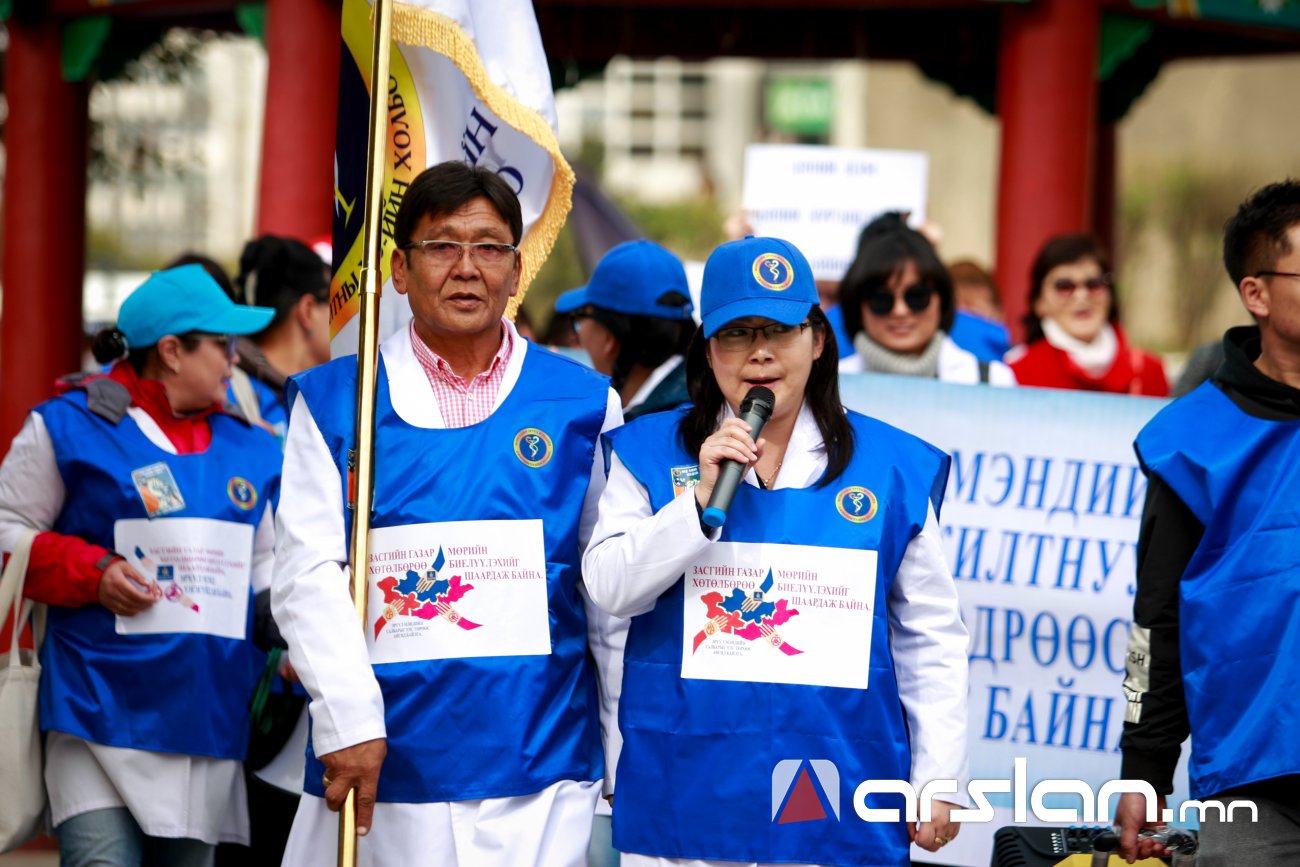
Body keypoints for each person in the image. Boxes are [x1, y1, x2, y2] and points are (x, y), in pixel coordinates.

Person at [270, 160, 624, 865]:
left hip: (541, 766)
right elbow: (307, 573)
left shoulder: (584, 404)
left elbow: (608, 597)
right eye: (442, 245)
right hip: (384, 767)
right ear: (399, 270)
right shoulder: (337, 402)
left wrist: (623, 753)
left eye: (489, 246)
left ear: (517, 270)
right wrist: (348, 719)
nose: (467, 267)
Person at [582, 235, 969, 866]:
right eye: (737, 333)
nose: (760, 354)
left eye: (781, 330)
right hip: (690, 787)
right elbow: (608, 587)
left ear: (817, 341)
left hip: (839, 783)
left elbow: (930, 634)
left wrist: (939, 776)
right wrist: (693, 507)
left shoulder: (893, 468)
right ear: (707, 351)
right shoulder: (647, 454)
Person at [0, 265, 282, 865]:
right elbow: (5, 530)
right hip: (94, 708)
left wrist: (298, 642)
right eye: (223, 344)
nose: (235, 361)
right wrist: (93, 573)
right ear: (174, 351)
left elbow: (267, 575)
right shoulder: (67, 427)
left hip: (206, 721)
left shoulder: (254, 448)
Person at [1114, 180, 1300, 866]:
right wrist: (1144, 767)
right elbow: (1159, 619)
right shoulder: (1191, 441)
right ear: (1256, 293)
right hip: (1257, 778)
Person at [838, 214, 1015, 385]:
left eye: (916, 296)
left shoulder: (990, 381)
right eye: (882, 299)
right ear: (857, 307)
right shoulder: (827, 387)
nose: (900, 310)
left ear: (942, 300)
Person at [1005, 234, 1168, 395]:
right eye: (1064, 286)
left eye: (1094, 284)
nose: (1081, 296)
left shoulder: (1149, 371)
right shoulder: (1016, 375)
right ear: (1039, 302)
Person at [557, 239, 695, 420]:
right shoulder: (702, 401)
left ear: (608, 338)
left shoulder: (654, 430)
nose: (578, 334)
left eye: (580, 317)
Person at [229, 235, 332, 441]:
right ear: (308, 310)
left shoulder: (321, 395)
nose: (344, 319)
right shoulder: (226, 390)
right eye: (336, 302)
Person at [947, 259, 1012, 363]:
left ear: (999, 314)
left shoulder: (1016, 362)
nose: (962, 317)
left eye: (971, 308)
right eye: (955, 309)